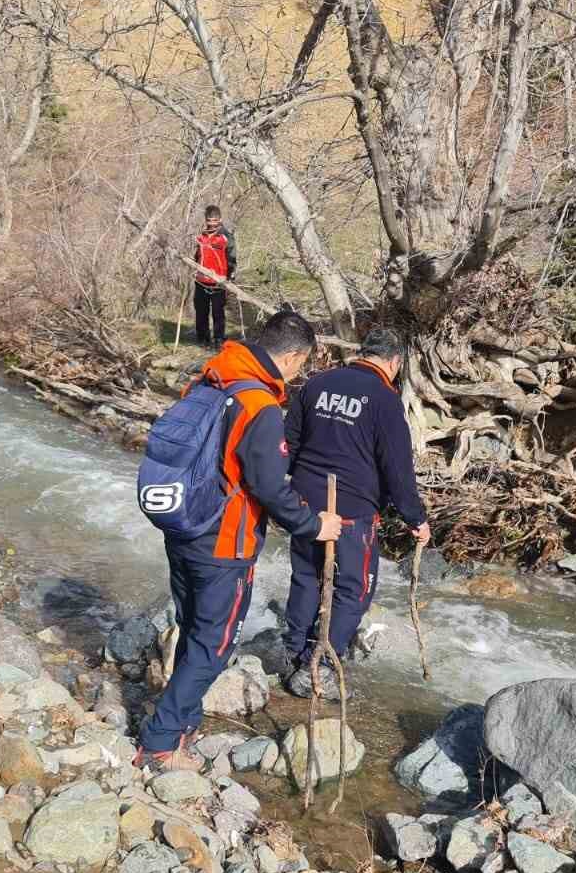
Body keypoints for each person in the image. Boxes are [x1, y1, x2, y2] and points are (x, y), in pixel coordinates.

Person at [138, 311, 342, 771]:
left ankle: (184, 722)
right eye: (300, 364)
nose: (297, 374)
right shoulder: (260, 406)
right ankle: (159, 743)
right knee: (213, 644)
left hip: (185, 526)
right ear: (291, 356)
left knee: (193, 627)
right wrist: (315, 525)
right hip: (224, 543)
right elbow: (270, 487)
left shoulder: (211, 380)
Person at [282, 326, 430, 692]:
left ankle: (292, 652)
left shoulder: (316, 384)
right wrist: (416, 517)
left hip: (304, 503)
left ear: (363, 352)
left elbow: (289, 442)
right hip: (351, 511)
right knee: (355, 589)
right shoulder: (384, 399)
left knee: (306, 577)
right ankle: (321, 667)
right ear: (394, 362)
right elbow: (397, 468)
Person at [193, 203, 238, 348]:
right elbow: (197, 256)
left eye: (215, 220)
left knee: (218, 313)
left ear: (220, 219)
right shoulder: (200, 236)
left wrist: (229, 278)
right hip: (200, 281)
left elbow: (232, 258)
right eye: (209, 220)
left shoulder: (227, 237)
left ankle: (219, 339)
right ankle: (203, 339)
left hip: (219, 282)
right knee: (201, 312)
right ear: (205, 220)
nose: (212, 224)